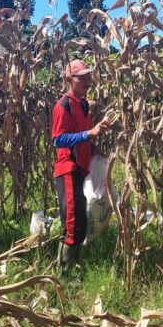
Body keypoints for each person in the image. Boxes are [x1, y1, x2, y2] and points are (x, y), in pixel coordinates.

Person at [51, 59, 111, 273]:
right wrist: (89, 133)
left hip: (82, 170)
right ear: (69, 79)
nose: (87, 81)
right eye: (81, 77)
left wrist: (94, 149)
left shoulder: (84, 104)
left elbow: (84, 138)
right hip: (68, 169)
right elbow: (59, 139)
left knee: (81, 222)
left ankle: (74, 266)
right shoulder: (63, 106)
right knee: (72, 222)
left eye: (88, 76)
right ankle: (62, 273)